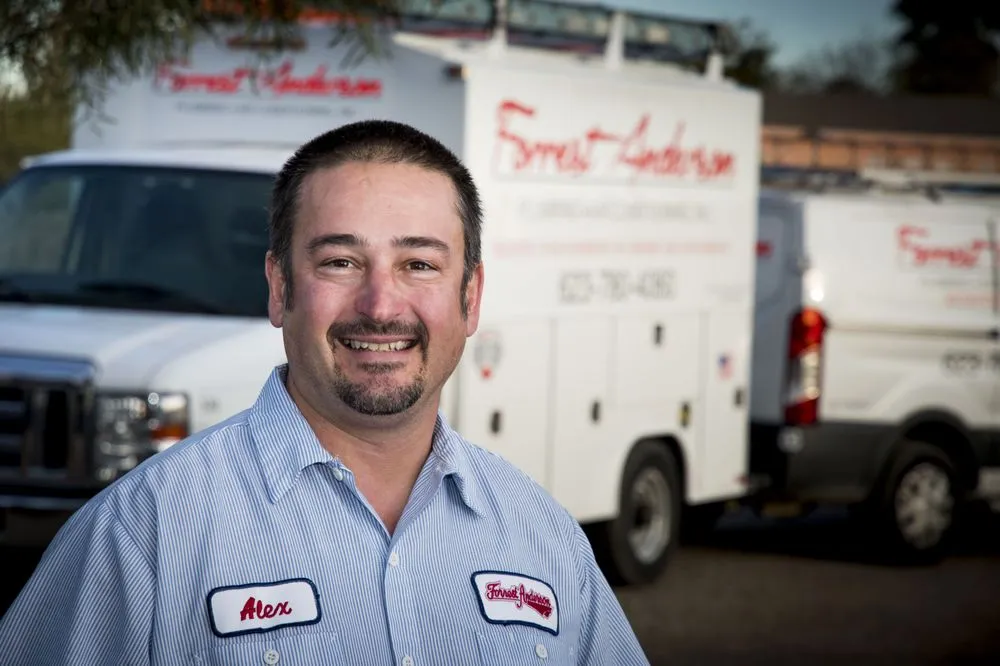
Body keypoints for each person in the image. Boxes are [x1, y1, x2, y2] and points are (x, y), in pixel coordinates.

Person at [0, 120, 650, 665]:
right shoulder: (141, 535)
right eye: (340, 262)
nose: (380, 305)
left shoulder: (547, 539)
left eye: (419, 264)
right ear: (280, 288)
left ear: (471, 297)